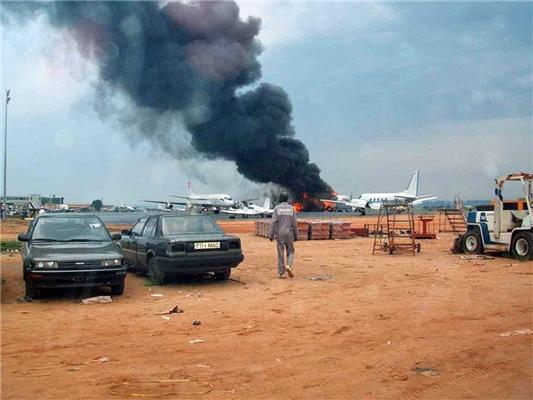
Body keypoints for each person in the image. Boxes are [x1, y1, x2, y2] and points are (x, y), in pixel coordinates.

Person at [269, 193, 298, 278]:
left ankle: (281, 273)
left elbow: (273, 223)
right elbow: (294, 223)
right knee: (291, 251)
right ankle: (289, 265)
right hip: (289, 233)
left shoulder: (277, 209)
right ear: (287, 199)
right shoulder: (291, 208)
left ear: (280, 199)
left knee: (280, 252)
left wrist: (271, 235)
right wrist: (296, 235)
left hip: (280, 233)